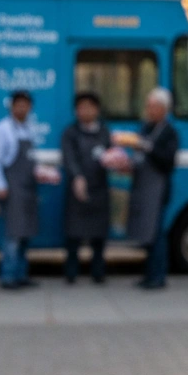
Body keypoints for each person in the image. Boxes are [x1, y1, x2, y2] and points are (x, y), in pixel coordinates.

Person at [123, 88, 179, 290]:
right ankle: (148, 274)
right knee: (145, 233)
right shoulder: (144, 128)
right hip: (142, 187)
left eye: (153, 106)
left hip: (158, 190)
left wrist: (148, 148)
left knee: (156, 234)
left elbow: (168, 161)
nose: (149, 110)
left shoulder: (169, 132)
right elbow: (139, 154)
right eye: (148, 106)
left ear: (164, 109)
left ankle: (158, 276)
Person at [0, 90, 40, 289]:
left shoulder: (28, 129)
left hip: (28, 189)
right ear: (11, 106)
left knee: (25, 235)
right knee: (13, 235)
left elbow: (31, 160)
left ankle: (21, 274)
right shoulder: (3, 129)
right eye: (18, 104)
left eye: (26, 104)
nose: (22, 108)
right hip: (12, 189)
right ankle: (8, 276)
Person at [62, 91, 112, 284]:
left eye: (89, 107)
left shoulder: (105, 132)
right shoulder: (70, 132)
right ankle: (71, 272)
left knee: (99, 236)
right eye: (81, 107)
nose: (85, 111)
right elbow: (69, 158)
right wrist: (77, 177)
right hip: (77, 189)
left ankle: (98, 272)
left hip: (100, 189)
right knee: (73, 235)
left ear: (97, 110)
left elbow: (113, 154)